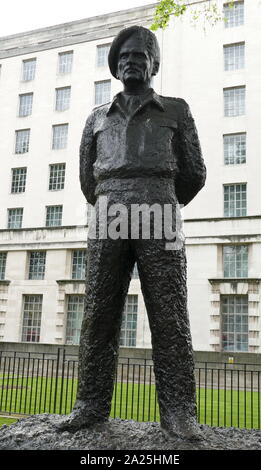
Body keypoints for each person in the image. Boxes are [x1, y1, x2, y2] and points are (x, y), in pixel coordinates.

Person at [58, 25, 206, 440]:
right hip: (107, 211)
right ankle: (89, 405)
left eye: (139, 55)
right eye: (123, 57)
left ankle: (179, 413)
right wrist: (114, 199)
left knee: (170, 315)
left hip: (160, 208)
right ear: (115, 67)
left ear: (154, 63)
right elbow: (87, 180)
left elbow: (194, 173)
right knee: (99, 314)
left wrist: (161, 200)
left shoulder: (176, 110)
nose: (130, 62)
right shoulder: (95, 120)